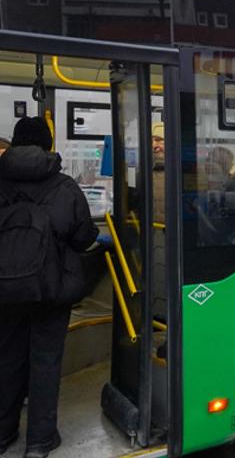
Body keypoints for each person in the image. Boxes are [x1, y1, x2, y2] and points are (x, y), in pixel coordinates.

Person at [0, 117, 98, 458]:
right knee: (46, 361)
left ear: (14, 142)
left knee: (7, 358)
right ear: (48, 143)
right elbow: (83, 237)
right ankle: (40, 441)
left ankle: (3, 432)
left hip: (5, 291)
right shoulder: (65, 186)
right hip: (52, 289)